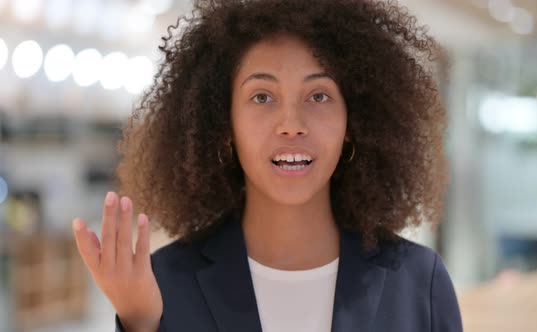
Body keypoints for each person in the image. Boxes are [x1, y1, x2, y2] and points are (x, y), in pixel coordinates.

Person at [71, 0, 462, 331]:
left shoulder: (418, 281)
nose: (291, 124)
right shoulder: (163, 284)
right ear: (225, 124)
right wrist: (140, 323)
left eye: (319, 96)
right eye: (261, 97)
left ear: (352, 122)